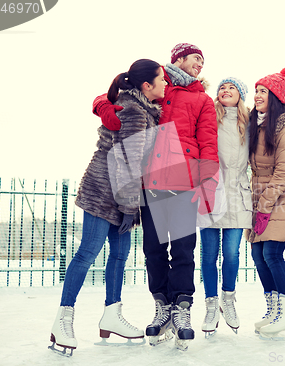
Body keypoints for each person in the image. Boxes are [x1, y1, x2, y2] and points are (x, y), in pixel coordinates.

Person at [92, 43, 218, 350]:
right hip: (152, 181)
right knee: (154, 248)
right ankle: (162, 306)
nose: (200, 64)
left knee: (184, 248)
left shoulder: (202, 99)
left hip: (185, 181)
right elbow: (111, 93)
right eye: (195, 58)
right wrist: (104, 107)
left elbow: (209, 146)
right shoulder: (156, 85)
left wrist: (207, 187)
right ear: (179, 59)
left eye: (203, 61)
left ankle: (182, 309)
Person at [49, 59, 166, 356]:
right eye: (161, 79)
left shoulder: (144, 109)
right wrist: (130, 208)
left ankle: (112, 314)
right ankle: (63, 319)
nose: (165, 84)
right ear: (146, 86)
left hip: (121, 195)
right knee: (88, 251)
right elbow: (125, 161)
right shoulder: (136, 112)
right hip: (103, 191)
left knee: (119, 256)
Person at [245, 67, 285, 339]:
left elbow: (282, 172)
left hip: (282, 196)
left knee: (272, 254)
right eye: (256, 90)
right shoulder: (255, 124)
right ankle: (274, 309)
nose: (257, 96)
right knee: (258, 255)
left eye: (263, 91)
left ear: (276, 97)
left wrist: (265, 203)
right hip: (261, 196)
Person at [198, 77, 252, 337]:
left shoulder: (250, 123)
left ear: (241, 95)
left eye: (232, 88)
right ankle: (210, 305)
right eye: (222, 87)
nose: (225, 90)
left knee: (231, 254)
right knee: (209, 255)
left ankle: (228, 301)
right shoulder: (209, 117)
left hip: (239, 194)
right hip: (211, 192)